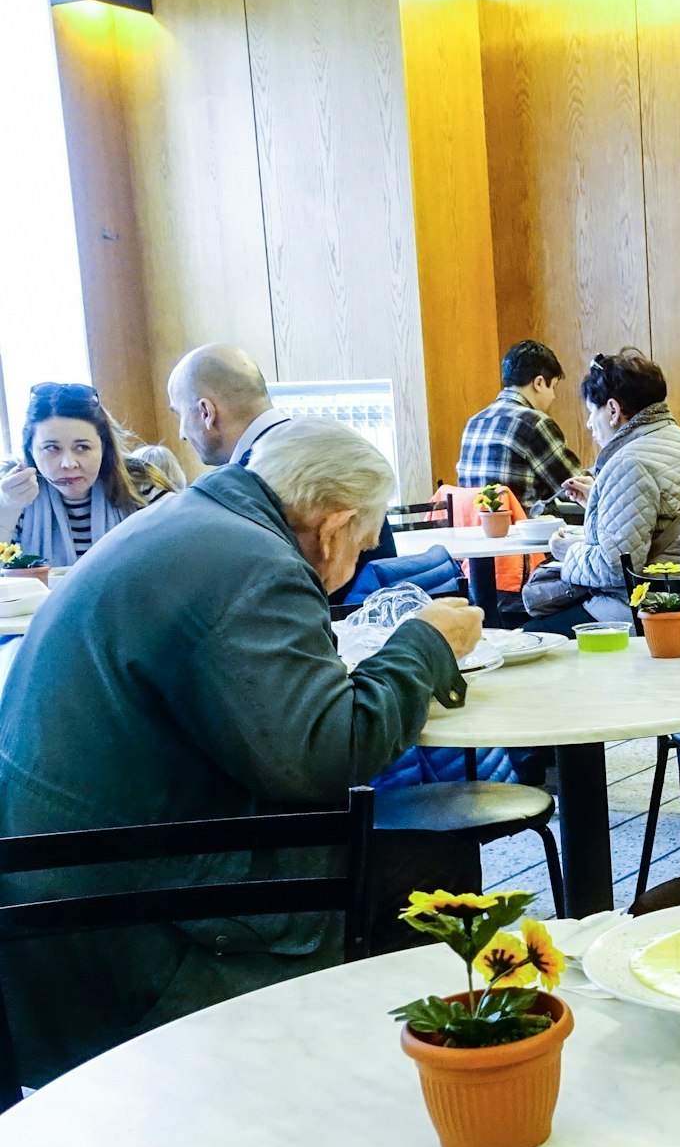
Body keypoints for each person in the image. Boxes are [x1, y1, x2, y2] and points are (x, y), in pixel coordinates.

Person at [0, 419, 483, 1087]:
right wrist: (424, 641)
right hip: (129, 934)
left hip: (57, 900)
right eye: (361, 547)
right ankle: (367, 1089)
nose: (353, 569)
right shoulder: (255, 565)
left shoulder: (192, 518)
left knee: (407, 833)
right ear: (334, 527)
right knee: (434, 860)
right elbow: (327, 751)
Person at [167, 343, 397, 588]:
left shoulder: (253, 483)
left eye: (179, 414)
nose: (181, 433)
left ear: (206, 412)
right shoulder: (332, 443)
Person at [538, 348, 680, 626]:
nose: (589, 423)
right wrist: (597, 503)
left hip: (646, 613)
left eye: (592, 412)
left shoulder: (628, 462)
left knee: (528, 636)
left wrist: (569, 552)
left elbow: (615, 568)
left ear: (613, 410)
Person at [0, 382, 171, 567]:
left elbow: (188, 545)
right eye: (51, 448)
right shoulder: (14, 494)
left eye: (82, 447)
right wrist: (7, 509)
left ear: (103, 447)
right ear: (31, 451)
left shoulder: (140, 486)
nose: (69, 464)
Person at [456, 338, 583, 512]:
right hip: (524, 533)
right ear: (538, 383)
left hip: (477, 533)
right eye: (553, 387)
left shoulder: (474, 422)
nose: (553, 396)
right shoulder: (534, 423)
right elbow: (575, 486)